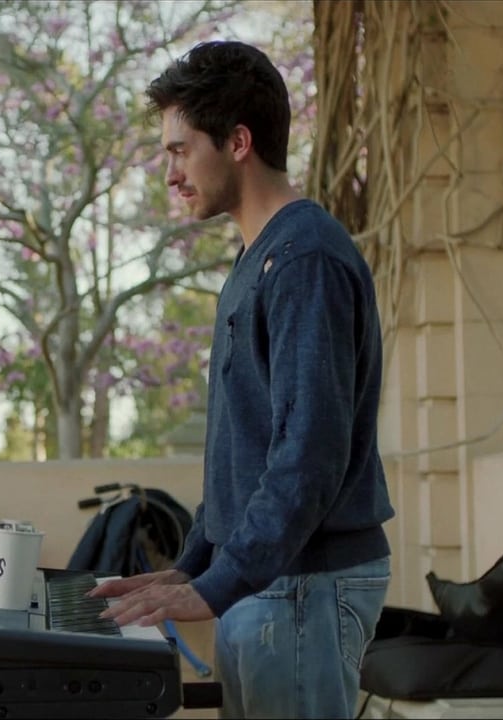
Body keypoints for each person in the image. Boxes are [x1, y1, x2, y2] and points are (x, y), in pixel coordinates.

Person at [91, 41, 396, 719]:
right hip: (269, 583)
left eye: (180, 150)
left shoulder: (304, 259)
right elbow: (247, 450)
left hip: (302, 584)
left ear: (237, 142)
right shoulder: (261, 257)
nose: (170, 173)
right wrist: (194, 564)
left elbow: (309, 453)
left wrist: (217, 583)